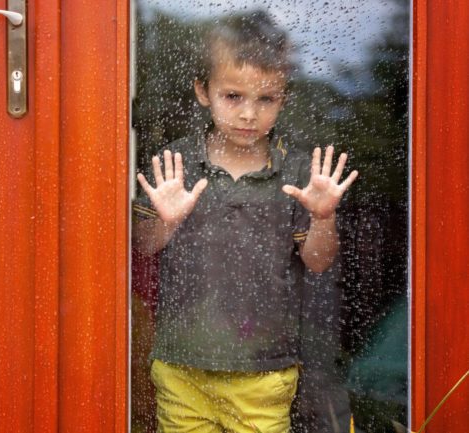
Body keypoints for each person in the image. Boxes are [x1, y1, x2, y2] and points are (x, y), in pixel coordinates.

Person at [132, 13, 358, 433]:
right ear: (204, 91)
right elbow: (144, 245)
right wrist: (167, 221)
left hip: (263, 372)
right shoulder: (176, 163)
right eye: (233, 96)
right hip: (183, 365)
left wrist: (323, 216)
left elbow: (319, 261)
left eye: (266, 99)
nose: (249, 114)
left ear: (283, 98)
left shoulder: (293, 171)